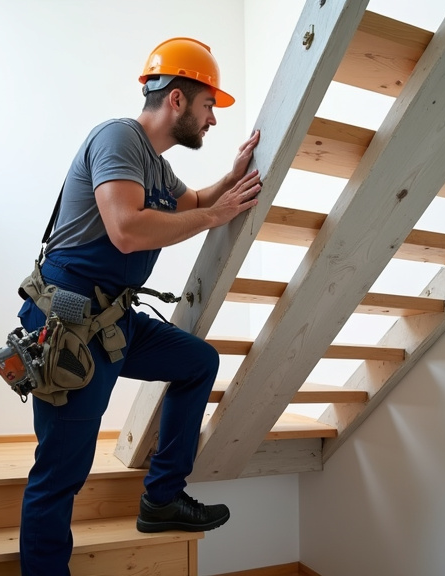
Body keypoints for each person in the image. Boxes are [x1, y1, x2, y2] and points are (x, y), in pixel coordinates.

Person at [15, 37, 262, 575]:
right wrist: (215, 217)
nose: (212, 121)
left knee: (197, 362)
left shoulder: (151, 163)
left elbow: (192, 201)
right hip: (69, 324)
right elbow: (126, 230)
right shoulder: (117, 138)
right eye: (207, 107)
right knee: (60, 471)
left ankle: (161, 499)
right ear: (176, 99)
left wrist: (233, 178)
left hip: (112, 321)